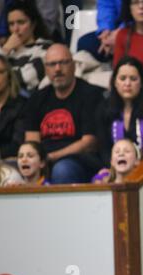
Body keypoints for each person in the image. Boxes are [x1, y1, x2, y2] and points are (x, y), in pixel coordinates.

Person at [25, 44, 104, 184]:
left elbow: (89, 143)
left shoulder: (91, 94)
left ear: (73, 66)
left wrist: (52, 157)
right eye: (52, 64)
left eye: (63, 63)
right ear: (45, 69)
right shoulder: (37, 99)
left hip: (78, 160)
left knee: (62, 170)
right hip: (44, 160)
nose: (57, 69)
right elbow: (32, 141)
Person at [96, 56, 143, 168]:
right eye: (122, 78)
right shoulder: (104, 108)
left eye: (133, 78)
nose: (127, 83)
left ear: (141, 82)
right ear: (115, 82)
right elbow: (103, 148)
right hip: (115, 171)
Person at [0, 0, 52, 94]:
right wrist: (5, 50)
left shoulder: (46, 48)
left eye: (21, 22)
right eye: (11, 24)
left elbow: (26, 78)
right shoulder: (6, 50)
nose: (15, 29)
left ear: (33, 24)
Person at [0, 54, 27, 162]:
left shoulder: (21, 105)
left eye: (0, 72)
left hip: (9, 161)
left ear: (9, 76)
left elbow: (18, 144)